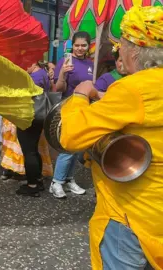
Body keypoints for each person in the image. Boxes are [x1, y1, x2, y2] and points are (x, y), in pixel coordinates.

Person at [59, 6, 163, 269]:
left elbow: (71, 137)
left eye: (122, 45)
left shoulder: (131, 89)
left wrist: (81, 96)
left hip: (131, 215)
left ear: (134, 50)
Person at [50, 31, 93, 199]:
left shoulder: (91, 64)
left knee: (77, 147)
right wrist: (62, 73)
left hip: (84, 109)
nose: (80, 48)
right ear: (72, 46)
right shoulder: (66, 61)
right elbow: (58, 88)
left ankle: (68, 179)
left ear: (88, 46)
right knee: (68, 147)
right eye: (77, 45)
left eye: (83, 45)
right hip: (68, 108)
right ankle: (56, 182)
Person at [14, 61, 53, 196]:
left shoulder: (32, 78)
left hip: (29, 117)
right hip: (40, 117)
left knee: (29, 151)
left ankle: (32, 186)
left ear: (33, 62)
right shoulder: (43, 73)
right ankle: (38, 179)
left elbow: (22, 95)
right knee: (34, 150)